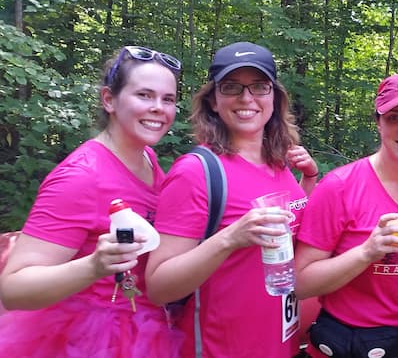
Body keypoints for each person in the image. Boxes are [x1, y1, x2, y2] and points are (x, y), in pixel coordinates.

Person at [0, 46, 183, 357]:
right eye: (144, 95)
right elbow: (14, 289)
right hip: (85, 338)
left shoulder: (147, 158)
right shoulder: (80, 177)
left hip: (144, 322)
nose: (158, 108)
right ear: (109, 100)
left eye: (167, 99)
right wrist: (93, 265)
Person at [145, 41, 319, 358]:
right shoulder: (196, 172)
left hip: (281, 345)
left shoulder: (278, 163)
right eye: (232, 87)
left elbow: (290, 234)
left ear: (274, 97)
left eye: (259, 87)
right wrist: (230, 237)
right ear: (213, 100)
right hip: (220, 348)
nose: (246, 98)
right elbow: (158, 287)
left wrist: (309, 182)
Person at [294, 72, 398, 358]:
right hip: (351, 345)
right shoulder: (339, 187)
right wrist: (365, 253)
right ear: (378, 123)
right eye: (394, 117)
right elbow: (301, 283)